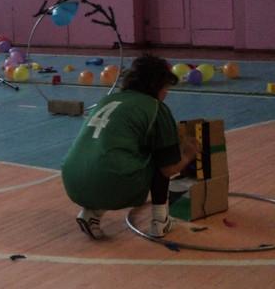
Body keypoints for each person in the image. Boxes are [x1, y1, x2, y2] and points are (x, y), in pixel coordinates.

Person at [61, 54, 199, 240]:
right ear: (158, 85)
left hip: (72, 180)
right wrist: (188, 155)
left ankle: (91, 213)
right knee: (156, 158)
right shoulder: (155, 107)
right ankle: (160, 221)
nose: (166, 93)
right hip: (111, 181)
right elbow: (167, 169)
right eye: (166, 87)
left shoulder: (108, 99)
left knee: (111, 158)